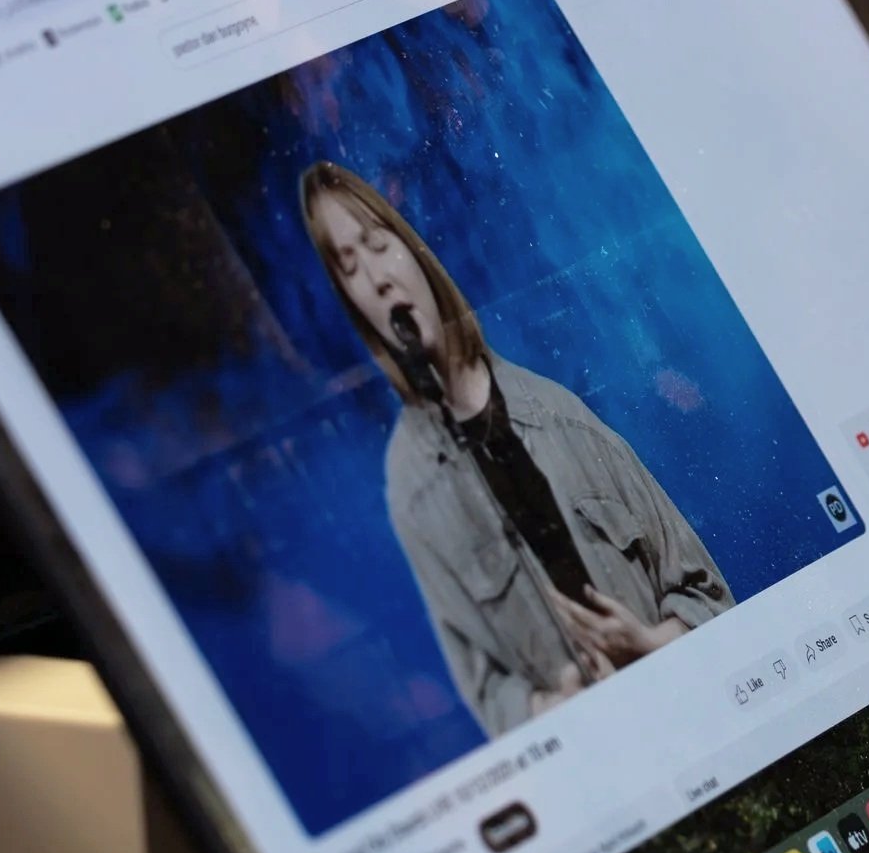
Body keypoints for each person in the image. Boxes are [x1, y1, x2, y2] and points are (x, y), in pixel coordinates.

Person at [299, 161, 729, 733]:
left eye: (378, 245)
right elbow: (487, 691)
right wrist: (550, 711)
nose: (376, 277)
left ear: (414, 252)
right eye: (349, 265)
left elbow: (709, 593)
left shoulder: (560, 415)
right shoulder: (410, 484)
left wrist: (650, 645)